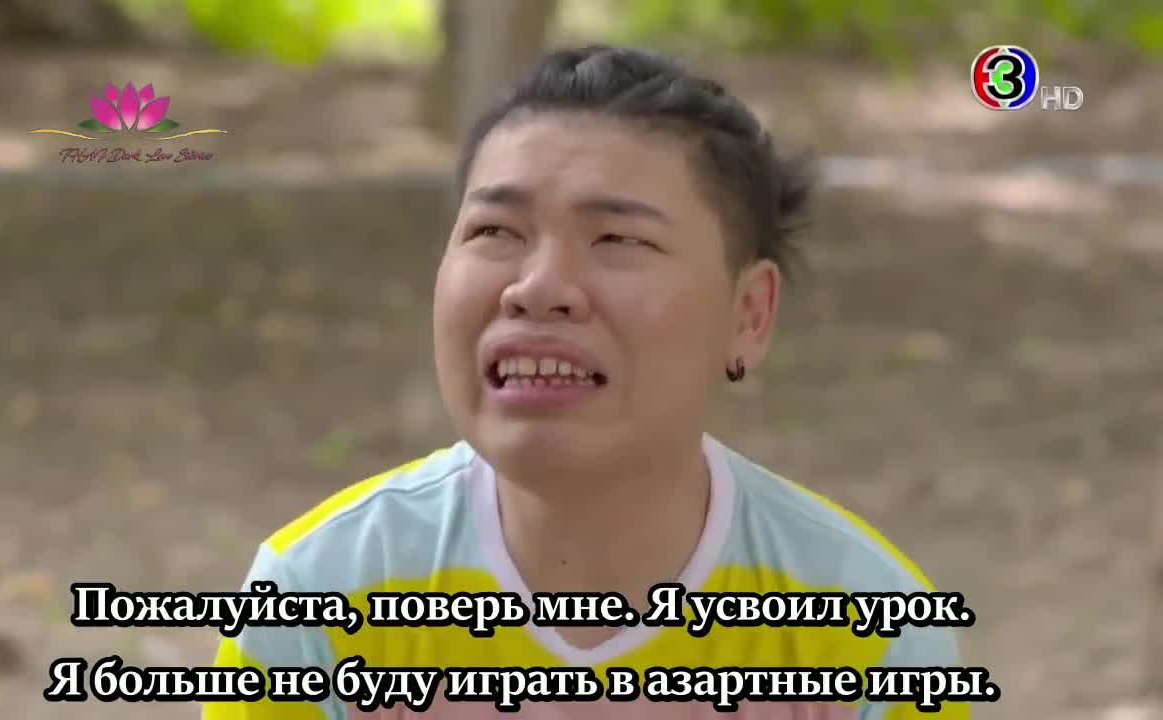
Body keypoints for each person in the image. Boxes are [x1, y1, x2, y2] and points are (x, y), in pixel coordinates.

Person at [204, 45, 970, 719]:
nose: (538, 288)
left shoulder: (870, 632)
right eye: (495, 231)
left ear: (749, 313)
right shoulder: (317, 600)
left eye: (617, 238)